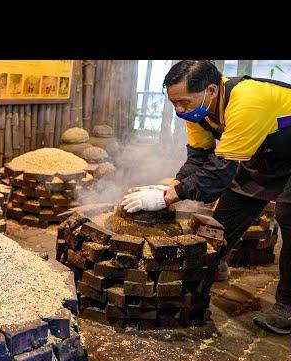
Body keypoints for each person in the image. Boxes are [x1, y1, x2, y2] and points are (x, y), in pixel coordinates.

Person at [121, 60, 291, 335]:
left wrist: (166, 199)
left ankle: (287, 306)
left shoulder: (247, 101)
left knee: (289, 217)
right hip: (266, 156)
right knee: (226, 217)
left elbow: (220, 172)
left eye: (184, 102)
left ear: (211, 90)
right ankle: (213, 265)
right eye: (173, 103)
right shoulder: (198, 111)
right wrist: (172, 186)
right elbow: (198, 158)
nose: (179, 110)